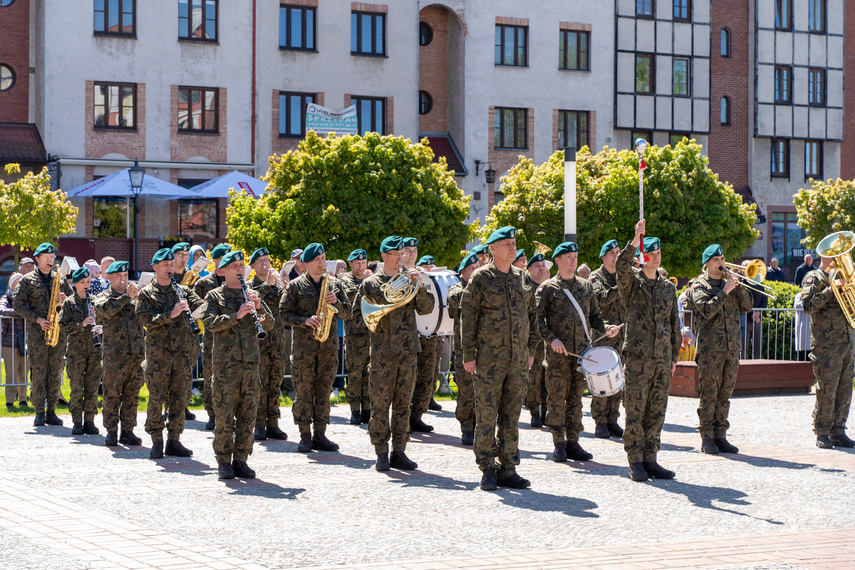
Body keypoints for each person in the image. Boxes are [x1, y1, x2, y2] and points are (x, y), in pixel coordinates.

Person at [461, 226, 538, 491]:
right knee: (486, 414)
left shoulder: (522, 277)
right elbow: (468, 317)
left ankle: (508, 467)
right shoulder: (481, 278)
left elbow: (533, 316)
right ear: (492, 249)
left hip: (518, 359)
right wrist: (468, 355)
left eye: (513, 242)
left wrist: (531, 350)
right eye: (506, 243)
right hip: (488, 360)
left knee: (511, 414)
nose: (512, 247)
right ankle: (487, 467)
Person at [354, 236, 435, 471]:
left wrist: (419, 287)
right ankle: (381, 452)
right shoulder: (371, 284)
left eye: (402, 254)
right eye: (395, 254)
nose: (401, 258)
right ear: (383, 256)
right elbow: (360, 318)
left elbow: (427, 308)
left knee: (403, 405)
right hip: (382, 353)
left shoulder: (411, 280)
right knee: (380, 405)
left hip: (408, 352)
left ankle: (399, 450)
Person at [536, 242, 618, 462]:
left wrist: (605, 328)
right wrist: (552, 339)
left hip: (582, 355)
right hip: (558, 356)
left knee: (575, 399)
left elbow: (594, 316)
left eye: (575, 256)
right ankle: (558, 443)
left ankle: (573, 442)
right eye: (568, 257)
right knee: (556, 400)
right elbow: (537, 320)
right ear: (558, 261)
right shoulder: (548, 288)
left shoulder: (585, 286)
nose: (573, 261)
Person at [616, 220, 680, 482]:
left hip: (662, 358)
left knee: (657, 410)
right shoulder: (632, 283)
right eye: (651, 254)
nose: (655, 257)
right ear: (643, 257)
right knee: (635, 409)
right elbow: (621, 266)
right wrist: (635, 239)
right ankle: (635, 460)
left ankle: (651, 458)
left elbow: (674, 323)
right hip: (638, 358)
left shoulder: (668, 287)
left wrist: (674, 356)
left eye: (658, 253)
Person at [202, 250, 274, 479]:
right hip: (225, 366)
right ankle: (223, 460)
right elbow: (210, 323)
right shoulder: (214, 296)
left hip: (251, 364)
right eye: (234, 266)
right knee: (224, 414)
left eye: (242, 265)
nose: (240, 269)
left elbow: (270, 324)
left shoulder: (251, 295)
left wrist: (260, 308)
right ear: (224, 270)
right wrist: (236, 316)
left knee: (248, 414)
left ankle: (241, 458)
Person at [280, 243, 350, 453]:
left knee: (323, 392)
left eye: (323, 258)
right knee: (303, 392)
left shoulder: (334, 284)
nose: (322, 263)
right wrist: (304, 320)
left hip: (328, 348)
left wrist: (336, 302)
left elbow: (347, 312)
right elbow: (284, 314)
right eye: (317, 260)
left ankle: (320, 434)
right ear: (306, 263)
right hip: (304, 349)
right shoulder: (295, 286)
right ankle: (304, 435)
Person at [136, 248, 205, 459]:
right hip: (159, 356)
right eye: (164, 265)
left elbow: (202, 306)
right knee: (156, 398)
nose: (169, 268)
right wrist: (170, 314)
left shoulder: (183, 290)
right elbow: (145, 320)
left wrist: (206, 305)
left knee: (179, 398)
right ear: (155, 268)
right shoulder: (147, 293)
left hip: (182, 354)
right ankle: (157, 440)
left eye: (170, 265)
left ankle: (174, 439)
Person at [686, 245, 752, 455]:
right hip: (710, 351)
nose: (721, 262)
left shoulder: (731, 284)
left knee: (725, 394)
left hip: (732, 349)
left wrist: (739, 286)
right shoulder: (699, 285)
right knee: (709, 394)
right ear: (707, 263)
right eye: (716, 259)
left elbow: (748, 306)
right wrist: (725, 292)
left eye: (722, 258)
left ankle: (720, 436)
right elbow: (706, 310)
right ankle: (707, 437)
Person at [14, 243, 72, 427]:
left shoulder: (60, 279)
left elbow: (73, 299)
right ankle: (39, 412)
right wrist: (37, 319)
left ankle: (51, 411)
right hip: (37, 333)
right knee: (39, 373)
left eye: (52, 256)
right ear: (37, 258)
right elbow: (18, 304)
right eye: (46, 256)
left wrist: (65, 299)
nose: (50, 259)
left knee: (55, 373)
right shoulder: (28, 280)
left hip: (57, 333)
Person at [801, 251, 855, 449]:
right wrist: (830, 290)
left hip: (847, 341)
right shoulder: (814, 277)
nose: (839, 259)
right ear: (824, 256)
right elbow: (807, 305)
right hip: (826, 344)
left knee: (845, 389)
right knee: (827, 389)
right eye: (835, 255)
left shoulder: (845, 276)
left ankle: (839, 431)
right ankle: (822, 431)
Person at [95, 261, 145, 447]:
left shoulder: (135, 296)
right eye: (119, 276)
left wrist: (141, 295)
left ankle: (128, 430)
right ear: (110, 277)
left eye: (125, 276)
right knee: (112, 394)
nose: (123, 280)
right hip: (115, 355)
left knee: (132, 394)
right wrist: (126, 296)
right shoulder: (103, 296)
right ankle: (111, 430)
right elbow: (106, 311)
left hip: (136, 353)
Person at [248, 247, 288, 441]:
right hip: (259, 342)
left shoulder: (277, 286)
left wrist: (286, 285)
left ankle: (273, 423)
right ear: (254, 266)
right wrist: (268, 285)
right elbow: (253, 299)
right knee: (260, 383)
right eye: (261, 261)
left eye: (267, 261)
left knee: (275, 383)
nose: (265, 264)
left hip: (277, 341)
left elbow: (287, 305)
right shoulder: (249, 286)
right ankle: (259, 424)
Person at [58, 267, 102, 436]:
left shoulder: (95, 301)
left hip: (94, 350)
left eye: (88, 282)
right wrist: (81, 325)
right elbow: (63, 326)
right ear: (74, 284)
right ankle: (77, 421)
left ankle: (90, 421)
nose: (86, 285)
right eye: (83, 282)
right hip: (77, 352)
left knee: (92, 387)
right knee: (77, 387)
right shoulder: (69, 302)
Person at [590, 239, 627, 439]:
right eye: (611, 253)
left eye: (618, 252)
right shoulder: (596, 277)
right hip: (603, 336)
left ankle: (613, 418)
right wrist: (620, 284)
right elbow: (602, 299)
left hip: (622, 336)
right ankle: (600, 421)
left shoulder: (623, 276)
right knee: (602, 380)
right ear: (603, 256)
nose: (615, 256)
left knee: (618, 379)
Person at [193, 244, 232, 429]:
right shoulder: (204, 283)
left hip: (233, 337)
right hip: (212, 337)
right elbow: (195, 308)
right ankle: (211, 412)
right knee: (210, 375)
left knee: (231, 376)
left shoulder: (237, 282)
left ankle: (228, 412)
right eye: (222, 259)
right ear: (215, 261)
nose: (226, 263)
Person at [446, 252, 480, 445]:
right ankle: (467, 427)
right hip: (463, 349)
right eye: (472, 269)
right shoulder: (456, 289)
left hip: (484, 349)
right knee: (466, 391)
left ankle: (482, 426)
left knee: (483, 391)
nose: (476, 272)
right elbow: (456, 299)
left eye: (477, 269)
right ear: (463, 271)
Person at [339, 248, 373, 425]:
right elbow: (351, 301)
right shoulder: (345, 282)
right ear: (350, 263)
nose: (361, 266)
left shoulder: (371, 280)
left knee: (369, 372)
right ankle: (354, 409)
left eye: (363, 263)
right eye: (357, 263)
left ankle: (367, 408)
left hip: (371, 332)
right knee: (355, 372)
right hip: (354, 333)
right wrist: (365, 284)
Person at [412, 250, 444, 432]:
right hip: (408, 336)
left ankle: (417, 415)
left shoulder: (424, 278)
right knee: (408, 379)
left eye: (413, 250)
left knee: (426, 376)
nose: (410, 253)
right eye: (406, 250)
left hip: (428, 335)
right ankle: (402, 418)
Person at [523, 252, 551, 428]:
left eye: (543, 266)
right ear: (529, 270)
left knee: (548, 378)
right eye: (537, 266)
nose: (542, 269)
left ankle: (547, 411)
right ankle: (534, 411)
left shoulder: (551, 287)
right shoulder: (526, 288)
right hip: (533, 341)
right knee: (533, 378)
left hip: (549, 341)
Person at [1, 272, 28, 408]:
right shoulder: (6, 298)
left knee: (24, 372)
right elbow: (2, 310)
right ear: (12, 284)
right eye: (18, 281)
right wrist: (20, 312)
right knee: (11, 373)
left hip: (26, 341)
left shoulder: (28, 299)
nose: (21, 283)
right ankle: (10, 401)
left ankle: (23, 399)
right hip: (9, 342)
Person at [743, 259, 768, 359]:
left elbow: (764, 299)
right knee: (743, 347)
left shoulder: (759, 282)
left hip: (757, 320)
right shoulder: (741, 283)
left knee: (758, 347)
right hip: (746, 319)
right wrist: (751, 314)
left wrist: (758, 313)